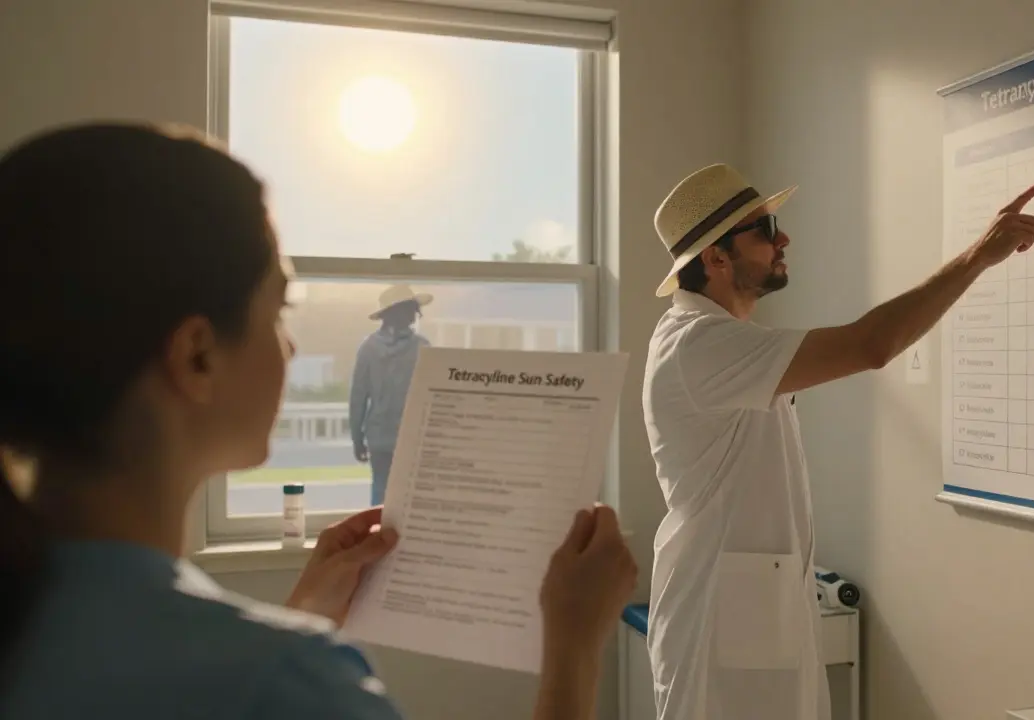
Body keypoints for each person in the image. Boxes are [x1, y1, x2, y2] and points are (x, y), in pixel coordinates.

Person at [0, 122, 636, 720]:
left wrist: (307, 611)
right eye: (282, 309)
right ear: (196, 355)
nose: (292, 348)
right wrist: (575, 647)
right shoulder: (290, 680)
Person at [641, 163, 1034, 720]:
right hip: (717, 620)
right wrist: (977, 256)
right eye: (765, 229)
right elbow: (872, 345)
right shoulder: (698, 345)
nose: (783, 238)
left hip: (755, 607)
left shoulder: (726, 342)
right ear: (715, 258)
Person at [349, 285, 433, 505]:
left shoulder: (368, 348)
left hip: (379, 435)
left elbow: (358, 397)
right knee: (410, 494)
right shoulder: (424, 348)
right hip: (413, 436)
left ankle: (377, 533)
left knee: (380, 489)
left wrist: (357, 438)